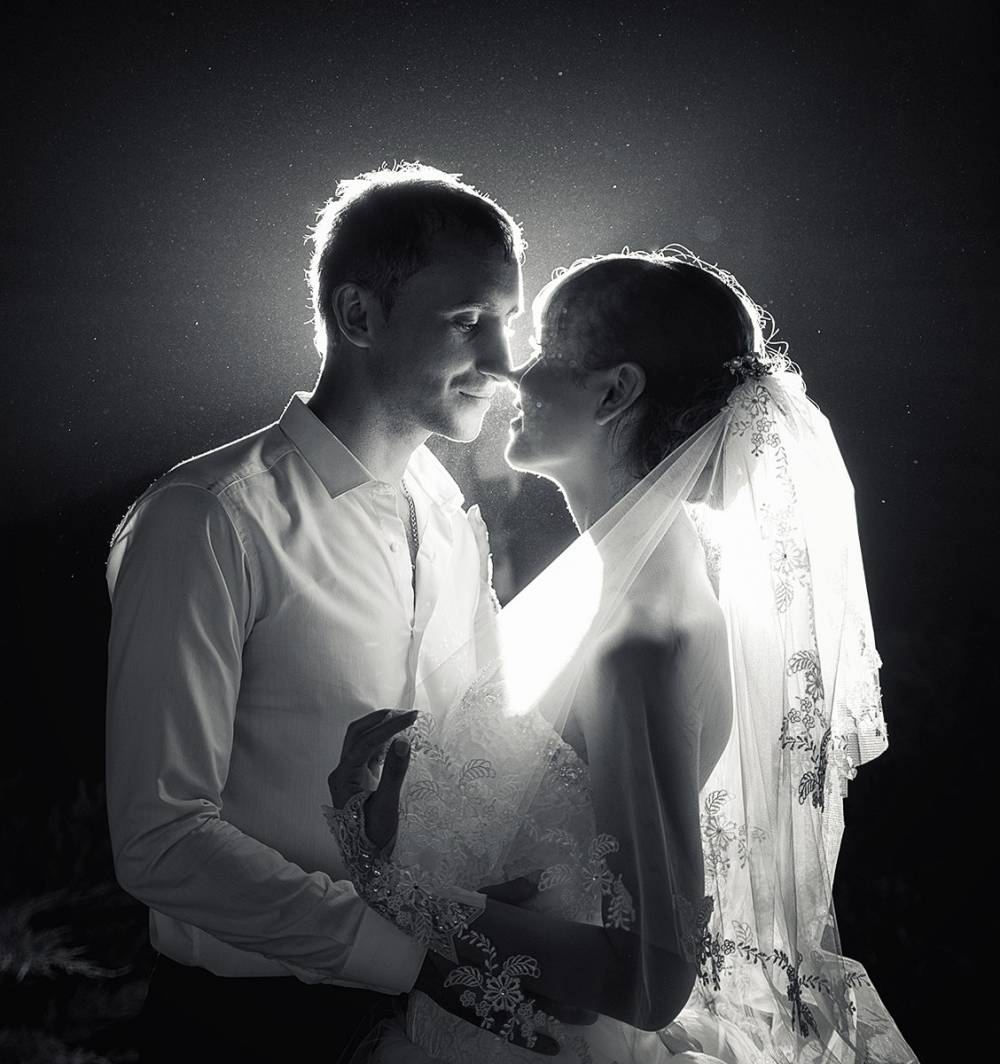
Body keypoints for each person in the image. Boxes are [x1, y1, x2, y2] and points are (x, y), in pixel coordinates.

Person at [326, 248, 920, 1062]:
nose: (509, 375)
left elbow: (651, 976)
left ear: (614, 393)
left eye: (544, 350)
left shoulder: (641, 644)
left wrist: (389, 888)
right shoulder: (619, 591)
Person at [104, 162, 527, 1063]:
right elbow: (160, 839)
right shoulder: (209, 518)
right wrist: (409, 960)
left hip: (433, 1027)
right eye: (468, 322)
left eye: (507, 323)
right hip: (242, 1032)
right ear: (358, 315)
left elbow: (485, 759)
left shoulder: (452, 521)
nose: (501, 362)